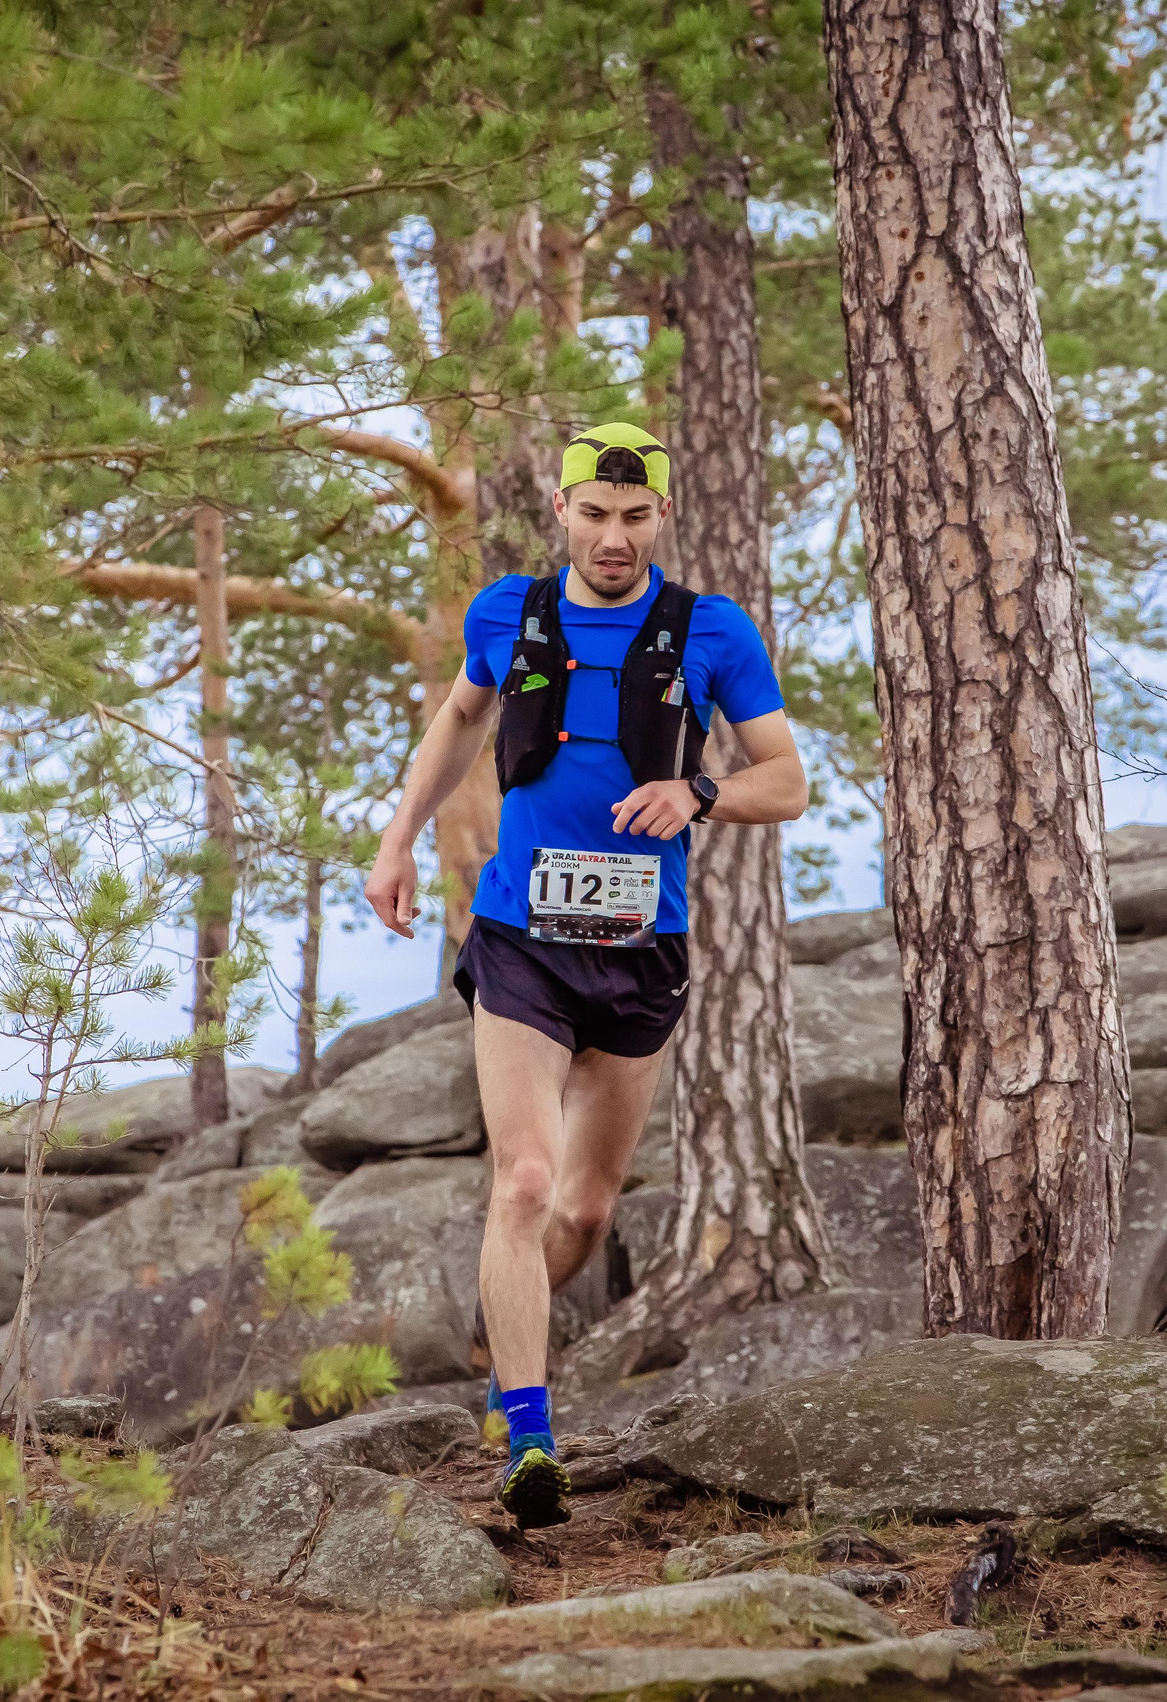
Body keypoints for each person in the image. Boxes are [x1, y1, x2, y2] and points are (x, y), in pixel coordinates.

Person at [362, 422, 809, 1527]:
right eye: (594, 514)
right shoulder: (506, 613)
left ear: (661, 518)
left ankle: (503, 1342)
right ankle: (528, 1435)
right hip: (520, 940)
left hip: (639, 957)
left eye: (634, 516)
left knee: (587, 1212)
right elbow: (460, 719)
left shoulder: (710, 632)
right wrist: (398, 837)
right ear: (560, 511)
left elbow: (788, 780)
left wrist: (698, 793)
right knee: (520, 1182)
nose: (613, 536)